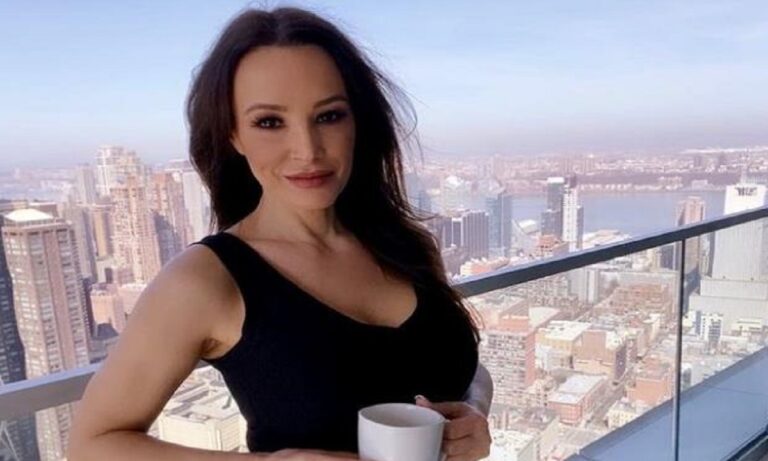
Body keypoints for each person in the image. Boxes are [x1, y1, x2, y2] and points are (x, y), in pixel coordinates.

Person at [68, 6, 493, 461]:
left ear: (357, 121)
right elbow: (90, 446)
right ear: (233, 135)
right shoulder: (205, 280)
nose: (307, 150)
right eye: (270, 122)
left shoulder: (408, 245)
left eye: (329, 116)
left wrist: (473, 412)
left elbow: (457, 371)